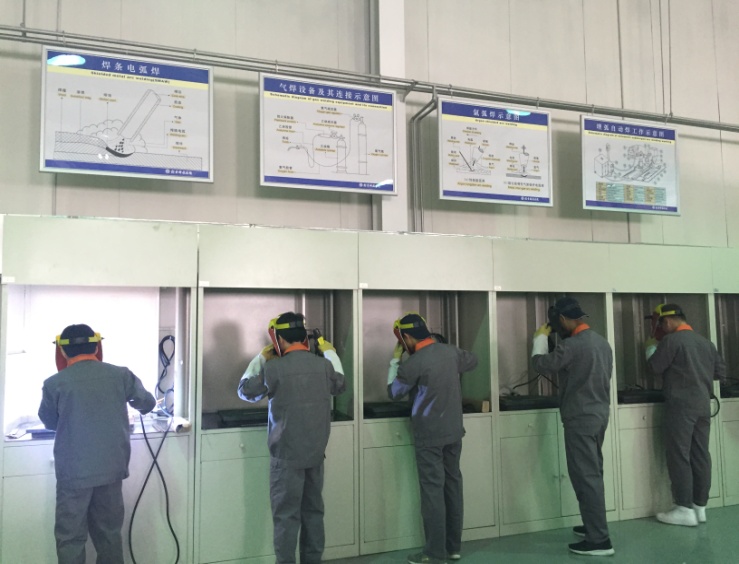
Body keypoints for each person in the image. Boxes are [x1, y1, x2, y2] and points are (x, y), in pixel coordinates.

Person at [38, 323, 156, 564]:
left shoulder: (54, 383)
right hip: (110, 471)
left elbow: (49, 421)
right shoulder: (121, 375)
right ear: (96, 346)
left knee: (70, 538)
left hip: (74, 475)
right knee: (109, 536)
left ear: (62, 350)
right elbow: (148, 403)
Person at [238, 312, 346, 564]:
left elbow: (245, 390)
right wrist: (330, 353)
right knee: (313, 514)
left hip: (286, 459)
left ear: (279, 339)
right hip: (315, 456)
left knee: (286, 518)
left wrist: (261, 358)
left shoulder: (274, 368)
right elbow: (340, 384)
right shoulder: (323, 366)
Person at [387, 312, 478, 564]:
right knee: (453, 486)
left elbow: (393, 392)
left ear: (407, 338)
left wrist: (395, 361)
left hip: (429, 435)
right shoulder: (451, 352)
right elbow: (473, 360)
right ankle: (453, 547)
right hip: (453, 431)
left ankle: (434, 552)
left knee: (432, 492)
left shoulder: (413, 363)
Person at [531, 297, 614, 557]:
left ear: (563, 319)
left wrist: (539, 339)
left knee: (585, 477)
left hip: (580, 418)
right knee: (593, 474)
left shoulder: (571, 346)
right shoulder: (602, 342)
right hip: (599, 415)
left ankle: (599, 540)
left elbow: (541, 365)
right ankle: (593, 525)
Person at [645, 303, 726, 526]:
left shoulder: (671, 341)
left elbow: (654, 368)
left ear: (668, 321)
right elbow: (720, 373)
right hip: (703, 405)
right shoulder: (705, 342)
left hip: (680, 406)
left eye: (661, 324)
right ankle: (700, 507)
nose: (661, 329)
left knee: (679, 454)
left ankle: (683, 507)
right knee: (700, 454)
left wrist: (651, 349)